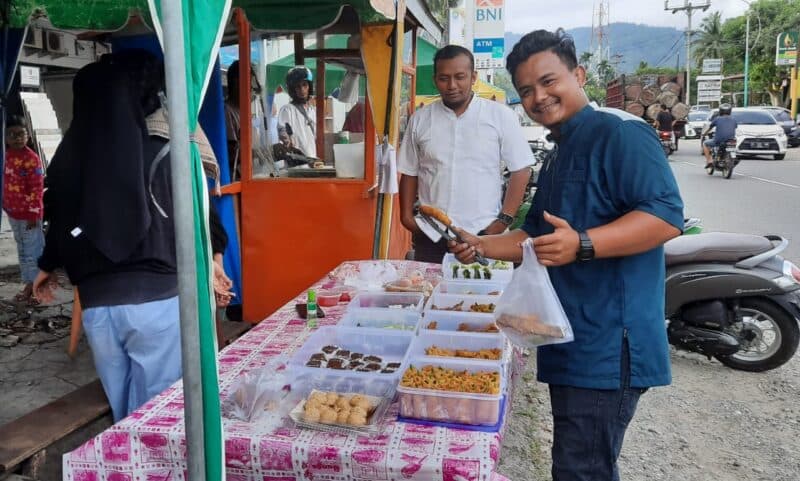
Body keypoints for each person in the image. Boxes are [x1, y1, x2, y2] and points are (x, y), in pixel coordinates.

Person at [450, 29, 684, 481]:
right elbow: (533, 236)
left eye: (549, 81)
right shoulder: (558, 151)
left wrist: (585, 243)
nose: (539, 96)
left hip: (608, 346)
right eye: (526, 90)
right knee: (573, 464)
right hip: (570, 339)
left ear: (578, 75)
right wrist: (478, 246)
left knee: (582, 470)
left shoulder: (622, 134)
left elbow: (666, 217)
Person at [32, 50, 231, 421]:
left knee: (124, 413)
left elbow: (58, 216)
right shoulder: (167, 146)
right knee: (158, 418)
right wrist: (215, 261)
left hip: (97, 308)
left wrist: (47, 265)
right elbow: (203, 216)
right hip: (157, 301)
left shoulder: (71, 155)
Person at [398, 45, 534, 263]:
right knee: (429, 293)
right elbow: (409, 171)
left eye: (460, 77)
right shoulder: (420, 120)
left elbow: (521, 169)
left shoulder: (500, 116)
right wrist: (406, 217)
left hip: (485, 233)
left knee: (483, 295)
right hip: (431, 234)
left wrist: (502, 221)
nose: (452, 85)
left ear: (474, 77)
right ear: (435, 79)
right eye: (444, 78)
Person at [3, 115, 44, 304]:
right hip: (13, 213)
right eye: (12, 135)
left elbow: (36, 190)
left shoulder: (31, 159)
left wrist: (33, 215)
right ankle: (30, 285)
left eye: (21, 134)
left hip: (30, 216)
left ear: (28, 135)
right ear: (5, 137)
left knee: (32, 252)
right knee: (22, 250)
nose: (17, 138)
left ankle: (34, 288)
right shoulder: (5, 156)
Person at [278, 66, 317, 158]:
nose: (302, 90)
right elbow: (282, 129)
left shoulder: (312, 110)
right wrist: (287, 141)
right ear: (293, 90)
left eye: (304, 85)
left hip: (312, 161)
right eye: (298, 87)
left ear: (309, 87)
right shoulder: (287, 109)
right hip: (296, 163)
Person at [702, 103, 737, 169]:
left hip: (719, 140)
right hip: (731, 140)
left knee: (705, 144)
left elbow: (709, 128)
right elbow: (735, 127)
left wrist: (704, 134)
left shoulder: (717, 119)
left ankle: (709, 160)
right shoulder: (733, 119)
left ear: (720, 111)